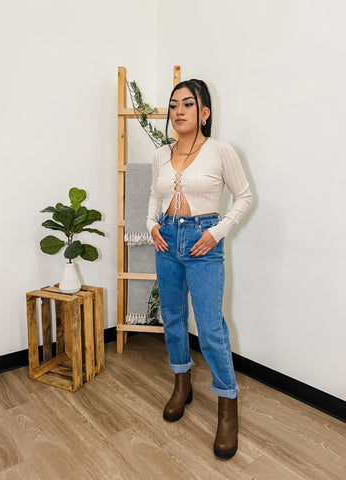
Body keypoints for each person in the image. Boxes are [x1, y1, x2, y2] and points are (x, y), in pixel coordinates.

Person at [146, 79, 252, 459]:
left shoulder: (220, 151)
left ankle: (227, 407)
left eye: (188, 104)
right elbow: (153, 197)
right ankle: (182, 383)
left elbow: (243, 196)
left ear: (204, 113)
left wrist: (216, 231)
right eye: (173, 105)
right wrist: (152, 225)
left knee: (210, 328)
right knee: (173, 318)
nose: (178, 111)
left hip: (202, 243)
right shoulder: (161, 154)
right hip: (167, 242)